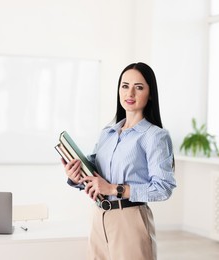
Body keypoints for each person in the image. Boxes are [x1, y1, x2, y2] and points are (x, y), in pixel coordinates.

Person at [62, 62, 176, 260]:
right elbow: (97, 175)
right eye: (125, 86)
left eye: (138, 87)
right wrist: (76, 177)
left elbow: (163, 188)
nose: (130, 93)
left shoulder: (154, 136)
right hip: (99, 218)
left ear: (150, 94)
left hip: (130, 221)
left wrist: (115, 189)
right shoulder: (108, 133)